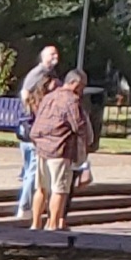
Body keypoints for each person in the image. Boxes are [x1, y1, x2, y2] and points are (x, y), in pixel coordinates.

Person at [30, 67, 97, 231]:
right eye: (82, 86)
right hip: (60, 149)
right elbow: (78, 125)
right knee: (59, 189)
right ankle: (52, 225)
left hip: (41, 147)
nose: (82, 90)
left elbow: (39, 120)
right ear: (75, 83)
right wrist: (87, 144)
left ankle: (35, 223)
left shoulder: (48, 97)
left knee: (41, 188)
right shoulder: (71, 100)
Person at [17, 44, 61, 219]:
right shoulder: (39, 72)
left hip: (30, 128)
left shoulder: (50, 74)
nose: (55, 56)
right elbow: (25, 92)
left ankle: (26, 206)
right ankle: (25, 206)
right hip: (32, 128)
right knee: (33, 170)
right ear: (43, 57)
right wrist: (32, 114)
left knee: (30, 169)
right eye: (51, 54)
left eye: (56, 54)